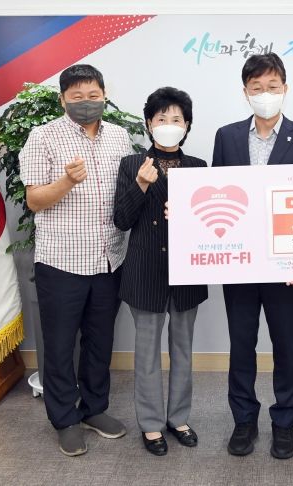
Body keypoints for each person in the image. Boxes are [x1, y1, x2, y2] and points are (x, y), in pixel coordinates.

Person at [212, 53, 293, 459]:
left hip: (285, 265)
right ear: (245, 92)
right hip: (239, 261)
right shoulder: (226, 136)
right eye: (256, 87)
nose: (265, 94)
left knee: (285, 346)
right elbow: (216, 193)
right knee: (241, 345)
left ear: (285, 89)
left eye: (272, 87)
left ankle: (284, 423)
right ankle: (244, 420)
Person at [19, 64, 132, 456]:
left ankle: (94, 409)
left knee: (100, 342)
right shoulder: (43, 137)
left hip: (109, 258)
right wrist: (67, 181)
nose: (87, 103)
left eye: (93, 95)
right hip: (61, 261)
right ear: (62, 99)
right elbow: (34, 200)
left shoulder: (119, 136)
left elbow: (127, 191)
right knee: (60, 344)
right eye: (77, 97)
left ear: (104, 95)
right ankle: (65, 418)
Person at [114, 87, 208, 456]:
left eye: (176, 119)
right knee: (147, 353)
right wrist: (141, 184)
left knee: (183, 349)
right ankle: (151, 425)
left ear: (187, 126)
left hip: (187, 272)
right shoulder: (131, 164)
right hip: (145, 271)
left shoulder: (198, 167)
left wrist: (189, 217)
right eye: (161, 118)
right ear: (149, 124)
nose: (169, 125)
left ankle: (179, 419)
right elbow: (122, 219)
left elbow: (212, 223)